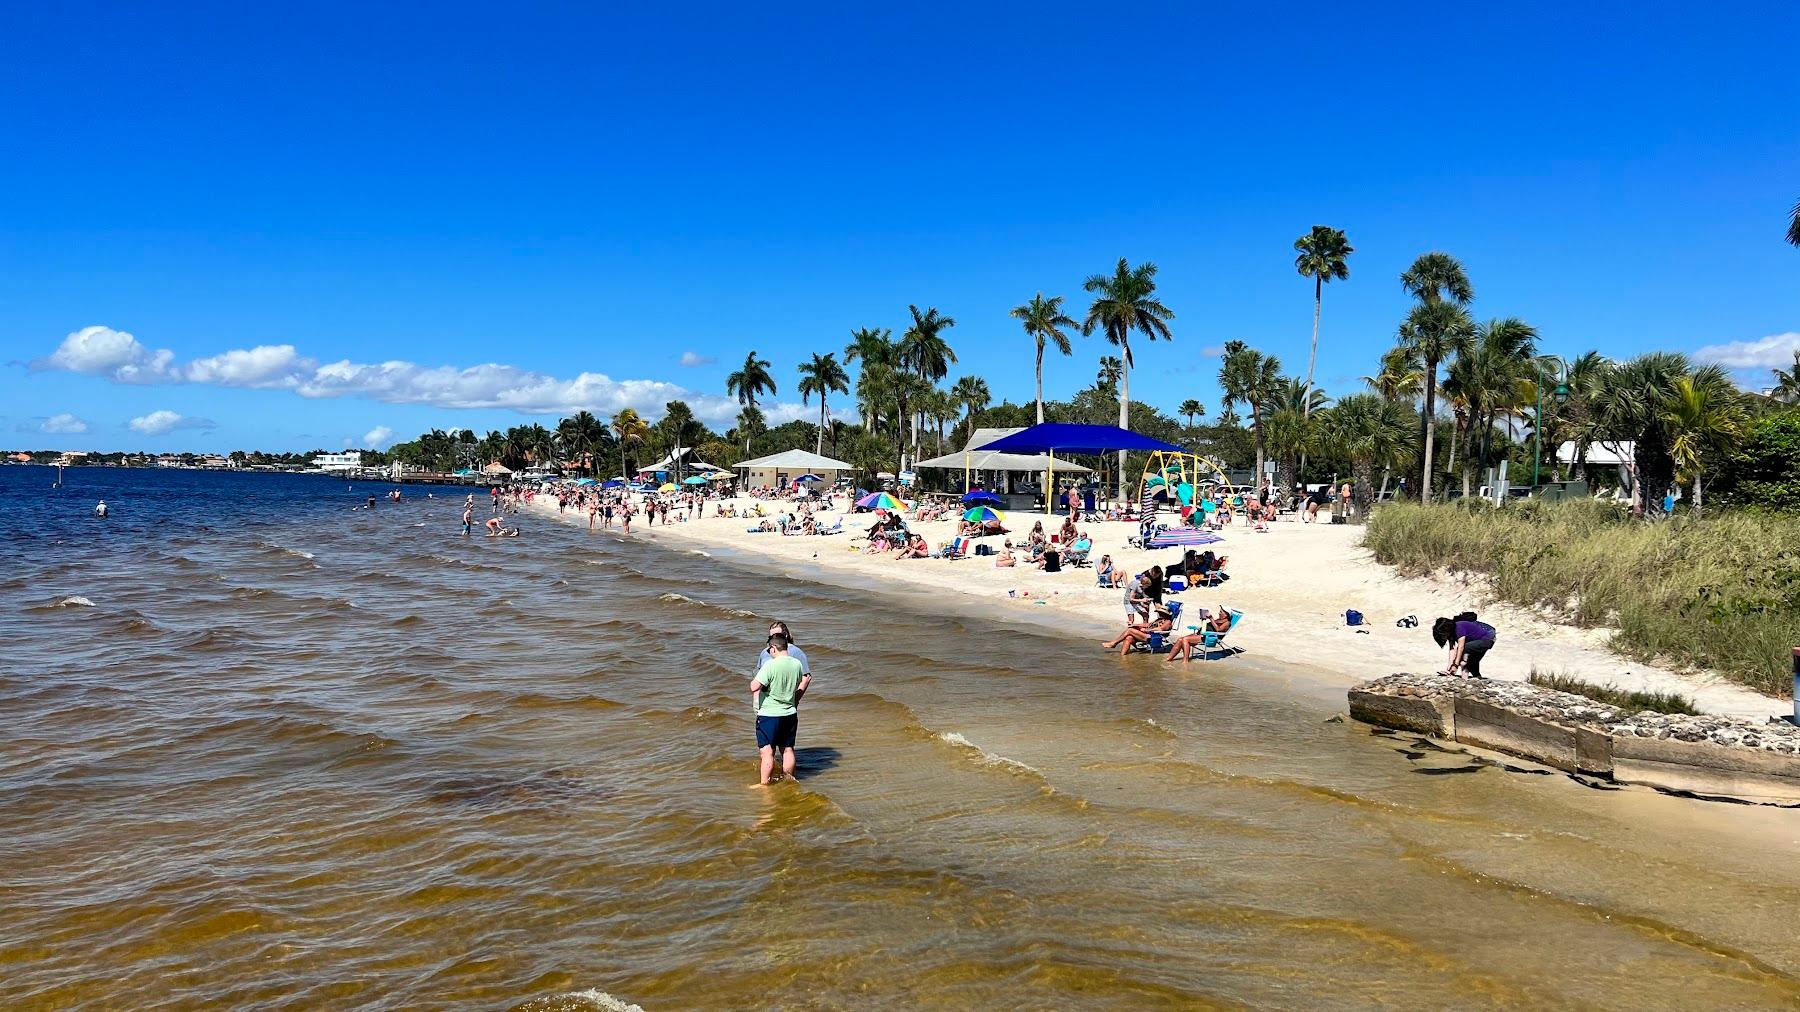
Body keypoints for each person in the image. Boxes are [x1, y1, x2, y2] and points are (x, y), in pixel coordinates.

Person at [750, 633, 810, 787]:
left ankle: (764, 784)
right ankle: (789, 779)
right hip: (789, 713)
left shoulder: (770, 665)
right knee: (788, 750)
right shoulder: (797, 664)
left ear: (774, 648)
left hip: (769, 714)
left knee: (767, 751)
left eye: (769, 650)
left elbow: (754, 686)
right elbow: (799, 683)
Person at [1433, 613, 1497, 679]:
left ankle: (1464, 675)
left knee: (1465, 654)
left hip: (1487, 639)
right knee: (1472, 664)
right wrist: (1449, 667)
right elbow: (1452, 650)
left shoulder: (1459, 627)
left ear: (1447, 628)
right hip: (1475, 642)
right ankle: (1477, 678)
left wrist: (1456, 665)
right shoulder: (1450, 633)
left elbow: (1461, 647)